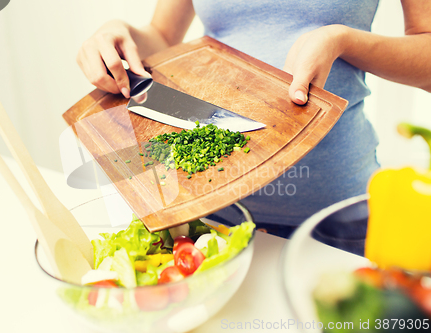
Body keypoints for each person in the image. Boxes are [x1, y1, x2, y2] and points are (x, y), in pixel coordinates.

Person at [76, 0, 431, 240]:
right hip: (211, 213)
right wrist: (120, 35)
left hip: (335, 217)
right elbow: (163, 37)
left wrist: (343, 40)